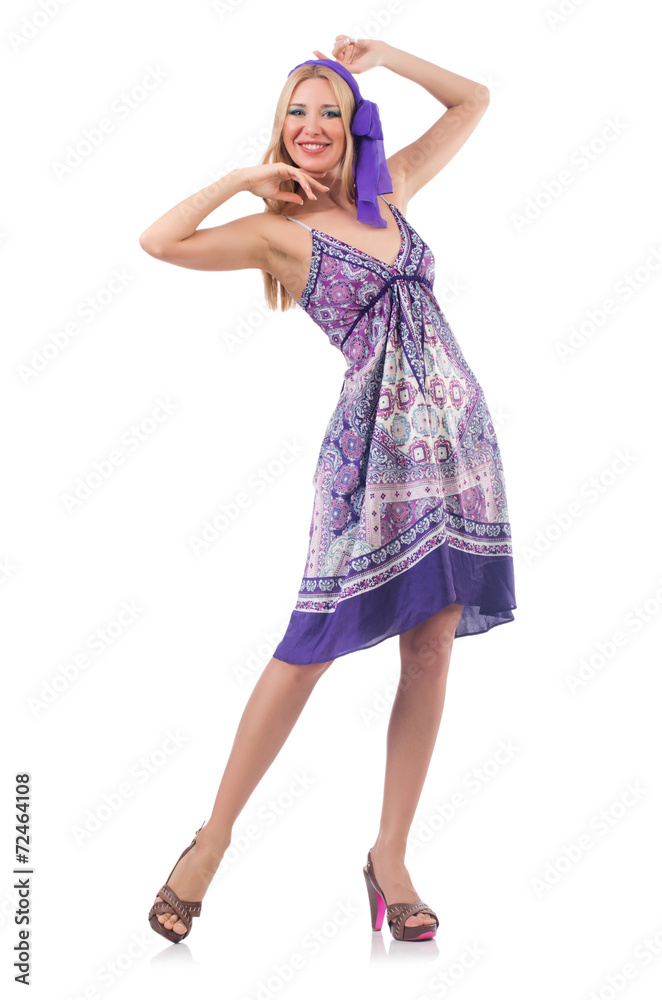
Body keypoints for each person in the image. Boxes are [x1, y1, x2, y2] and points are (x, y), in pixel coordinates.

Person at [140, 35, 516, 944]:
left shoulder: (394, 192)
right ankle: (211, 841)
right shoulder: (277, 232)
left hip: (459, 447)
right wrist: (244, 179)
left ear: (356, 126)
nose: (311, 126)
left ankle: (391, 856)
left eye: (329, 111)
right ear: (281, 129)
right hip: (371, 455)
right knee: (310, 643)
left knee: (432, 646)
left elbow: (474, 99)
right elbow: (159, 242)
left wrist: (385, 56)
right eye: (295, 114)